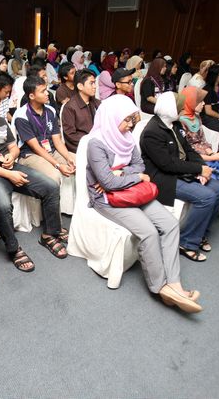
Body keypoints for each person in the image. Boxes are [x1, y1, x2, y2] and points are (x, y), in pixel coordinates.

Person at [86, 95, 202, 313]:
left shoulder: (127, 138)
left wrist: (121, 171)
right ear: (112, 118)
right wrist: (135, 177)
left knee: (170, 224)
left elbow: (140, 166)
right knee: (149, 232)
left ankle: (174, 283)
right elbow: (108, 183)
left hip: (133, 192)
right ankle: (160, 288)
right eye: (127, 120)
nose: (130, 125)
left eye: (133, 119)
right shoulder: (96, 143)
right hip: (108, 199)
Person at [0, 85, 68, 269]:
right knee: (2, 205)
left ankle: (50, 234)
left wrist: (11, 156)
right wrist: (9, 174)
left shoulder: (0, 121)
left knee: (50, 186)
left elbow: (14, 147)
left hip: (10, 166)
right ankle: (13, 249)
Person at [141, 92, 219, 262]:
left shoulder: (175, 124)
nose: (182, 109)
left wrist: (202, 168)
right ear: (170, 110)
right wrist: (198, 170)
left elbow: (188, 150)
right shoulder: (152, 132)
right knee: (206, 197)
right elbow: (167, 164)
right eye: (179, 107)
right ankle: (187, 242)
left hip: (181, 170)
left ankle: (200, 233)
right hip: (163, 177)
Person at [14, 76, 76, 185]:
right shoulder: (21, 116)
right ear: (32, 96)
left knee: (79, 162)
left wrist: (68, 157)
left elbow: (57, 141)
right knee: (54, 175)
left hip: (52, 150)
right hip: (31, 155)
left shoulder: (50, 111)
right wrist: (58, 165)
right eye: (43, 91)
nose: (47, 93)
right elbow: (36, 147)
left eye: (46, 89)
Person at [62, 69, 100, 153]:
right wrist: (90, 142)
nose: (95, 86)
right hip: (82, 147)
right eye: (91, 83)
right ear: (80, 86)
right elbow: (70, 135)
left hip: (98, 143)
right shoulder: (70, 107)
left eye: (94, 83)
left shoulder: (97, 103)